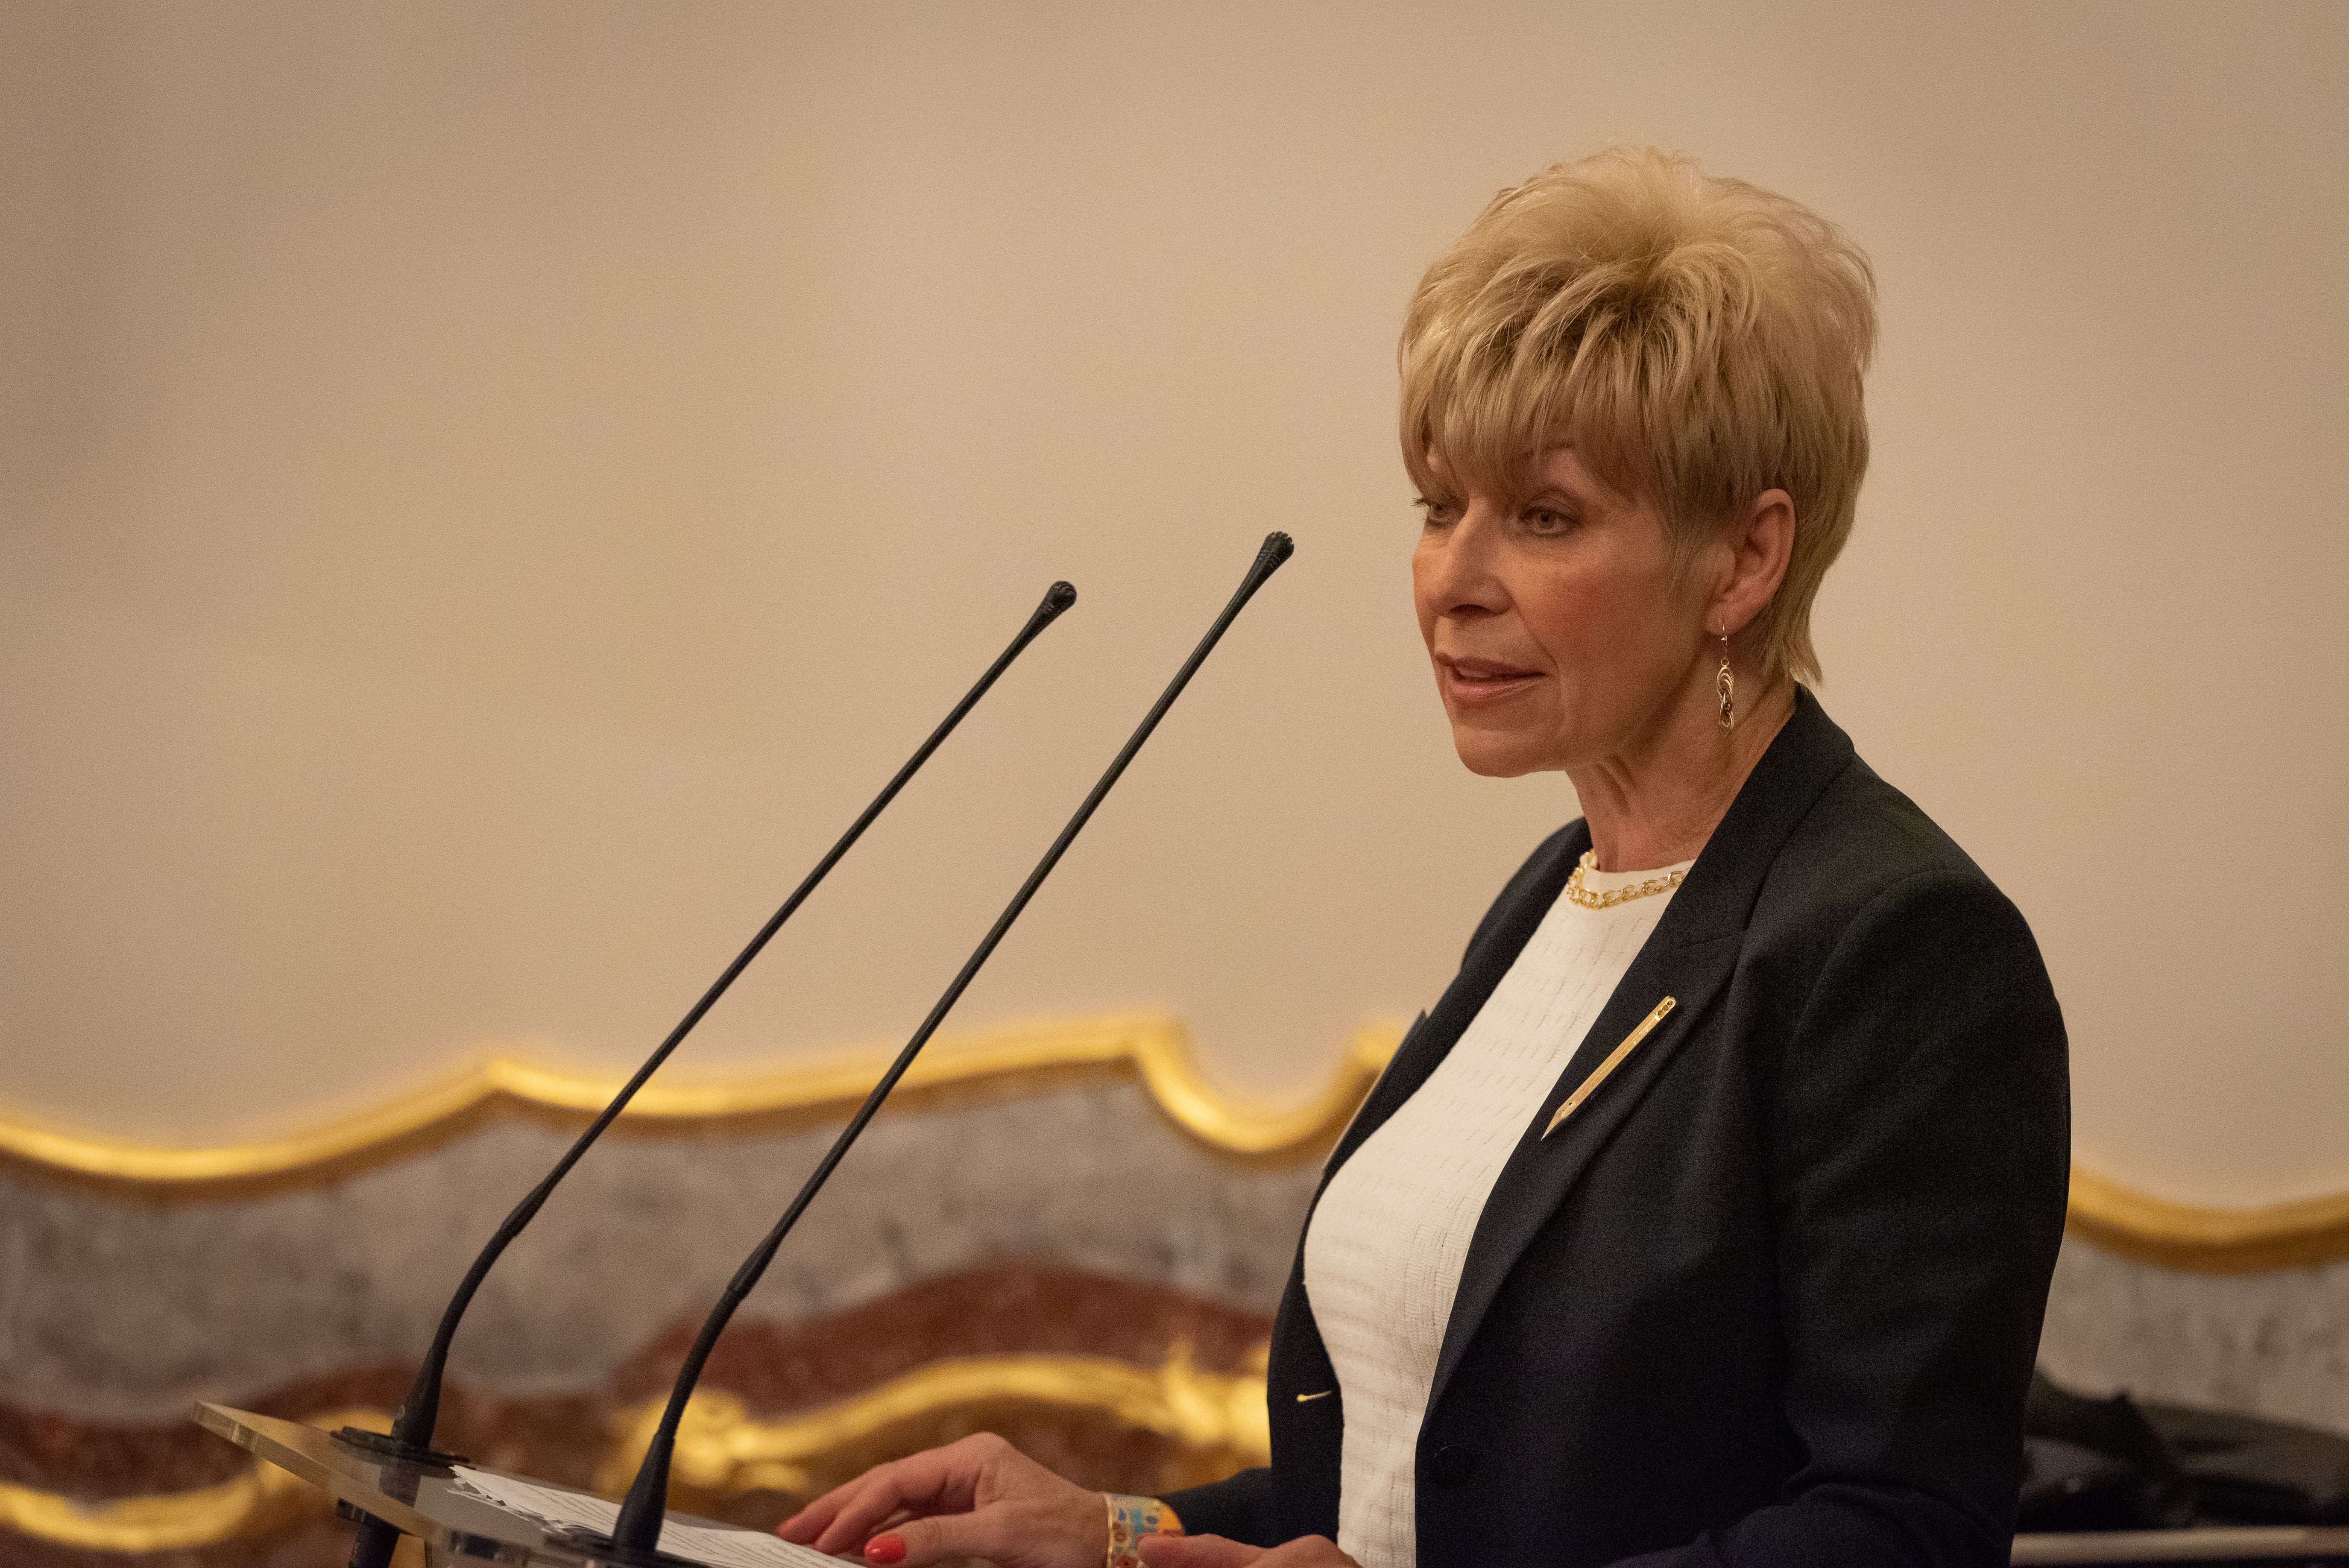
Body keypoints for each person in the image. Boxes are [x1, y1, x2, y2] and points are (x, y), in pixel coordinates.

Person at [778, 146, 2069, 1568]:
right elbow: (1412, 1485)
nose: (1452, 579)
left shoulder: (1893, 946)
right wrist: (1116, 1533)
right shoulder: (1554, 900)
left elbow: (1900, 1533)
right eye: (1437, 505)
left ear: (1742, 561)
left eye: (1544, 516)